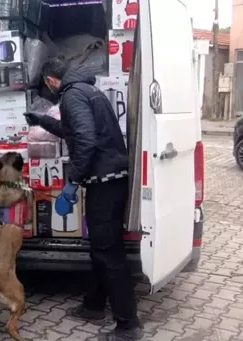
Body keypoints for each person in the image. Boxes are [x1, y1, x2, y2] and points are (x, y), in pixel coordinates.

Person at [24, 56, 143, 341]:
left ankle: (128, 326)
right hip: (110, 180)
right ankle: (94, 304)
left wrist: (71, 183)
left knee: (109, 253)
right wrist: (42, 121)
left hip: (105, 182)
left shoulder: (71, 96)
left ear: (51, 81)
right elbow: (73, 131)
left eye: (48, 85)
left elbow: (86, 140)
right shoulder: (87, 91)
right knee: (99, 248)